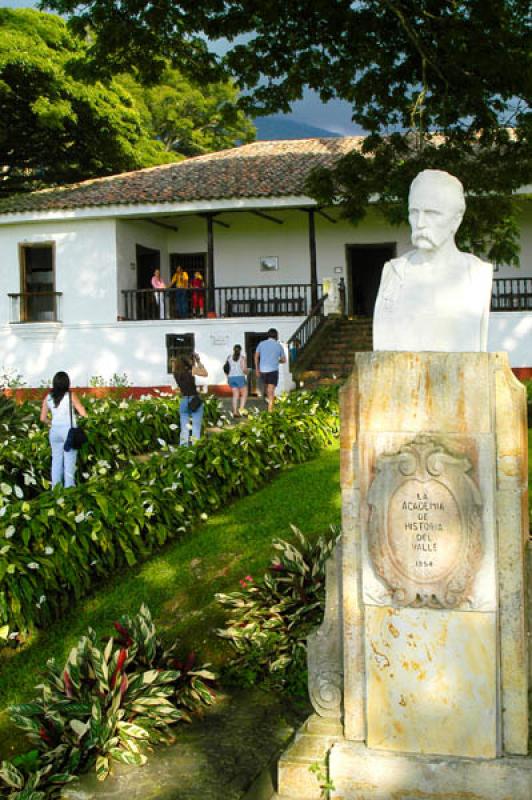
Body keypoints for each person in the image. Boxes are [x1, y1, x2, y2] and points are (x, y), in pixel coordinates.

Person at [373, 169, 493, 352]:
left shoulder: (477, 274)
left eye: (432, 213)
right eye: (414, 212)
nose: (420, 223)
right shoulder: (394, 273)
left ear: (457, 219)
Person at [40, 371, 87, 488]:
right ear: (67, 383)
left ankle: (56, 490)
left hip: (54, 432)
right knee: (69, 462)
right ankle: (69, 489)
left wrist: (52, 423)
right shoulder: (71, 395)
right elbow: (83, 413)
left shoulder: (48, 397)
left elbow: (42, 418)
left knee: (56, 461)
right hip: (69, 432)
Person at [173, 353, 208, 446]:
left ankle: (183, 449)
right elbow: (205, 373)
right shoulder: (191, 370)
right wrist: (198, 361)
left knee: (184, 428)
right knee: (195, 427)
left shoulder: (175, 373)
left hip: (184, 401)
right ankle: (195, 448)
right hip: (194, 400)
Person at [254, 328, 286, 412]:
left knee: (266, 389)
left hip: (263, 370)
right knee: (271, 390)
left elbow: (256, 356)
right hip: (273, 371)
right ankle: (270, 410)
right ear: (276, 336)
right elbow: (284, 360)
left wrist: (257, 369)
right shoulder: (278, 345)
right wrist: (277, 360)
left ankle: (269, 404)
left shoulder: (261, 344)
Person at [225, 344, 248, 417]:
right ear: (240, 350)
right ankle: (241, 409)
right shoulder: (242, 358)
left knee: (235, 395)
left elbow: (226, 368)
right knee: (244, 393)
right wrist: (247, 372)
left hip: (231, 378)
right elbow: (244, 370)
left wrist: (228, 377)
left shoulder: (229, 357)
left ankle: (235, 412)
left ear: (233, 349)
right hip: (240, 377)